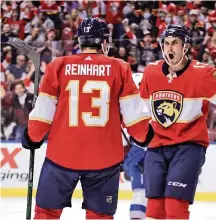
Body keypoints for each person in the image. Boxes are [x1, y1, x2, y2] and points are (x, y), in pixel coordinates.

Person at [124, 24, 216, 219]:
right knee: (155, 208)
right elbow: (141, 108)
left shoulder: (202, 73)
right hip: (156, 146)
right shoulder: (150, 72)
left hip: (188, 146)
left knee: (174, 206)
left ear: (186, 47)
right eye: (166, 43)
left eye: (175, 43)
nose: (169, 48)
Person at [21, 17, 153, 219]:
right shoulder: (119, 67)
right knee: (100, 215)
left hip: (62, 156)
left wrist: (32, 137)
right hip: (105, 159)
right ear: (104, 42)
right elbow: (135, 116)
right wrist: (144, 136)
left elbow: (42, 113)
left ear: (81, 41)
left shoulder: (59, 65)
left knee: (46, 212)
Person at [123, 72, 147, 220]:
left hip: (139, 155)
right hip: (141, 155)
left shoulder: (125, 108)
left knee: (141, 192)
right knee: (142, 192)